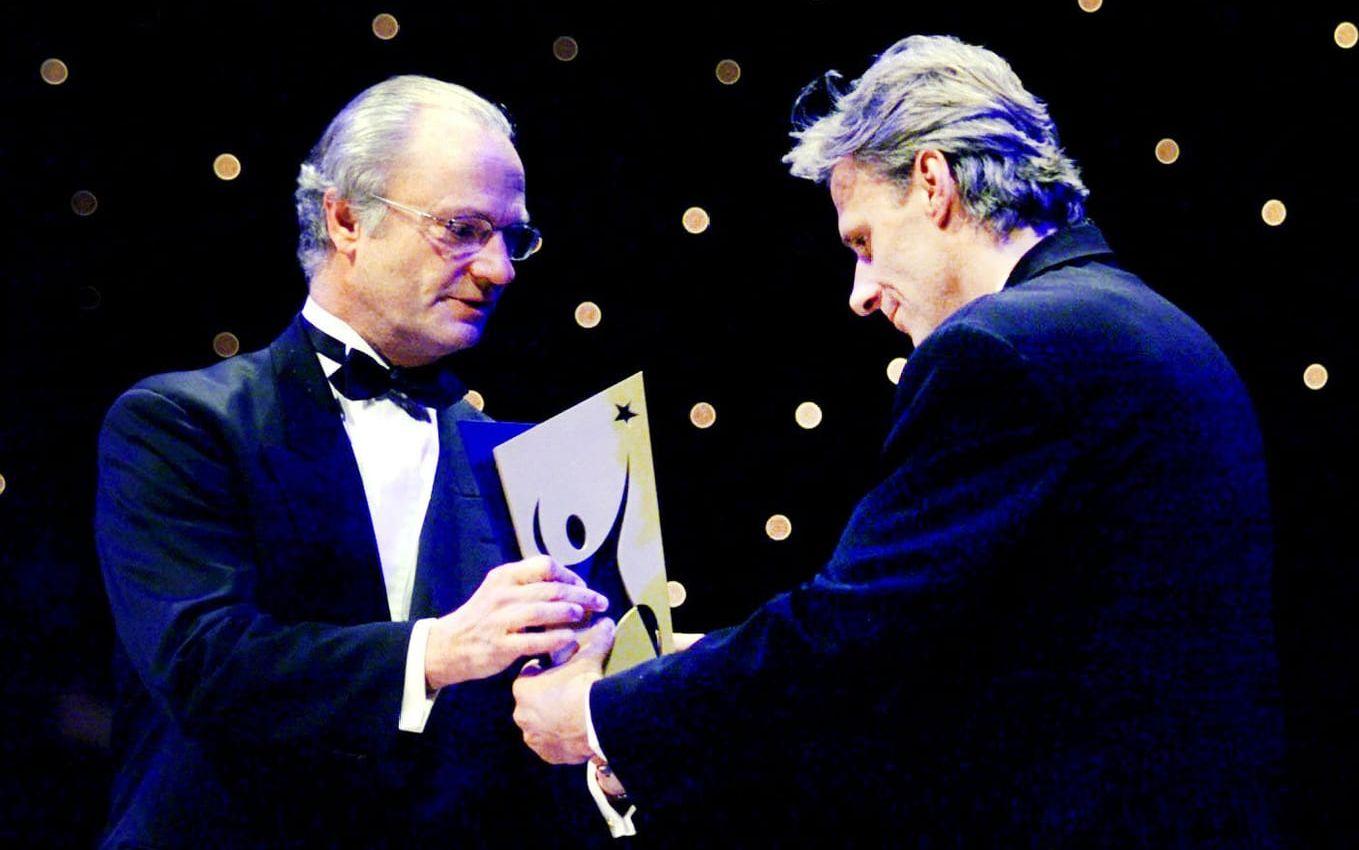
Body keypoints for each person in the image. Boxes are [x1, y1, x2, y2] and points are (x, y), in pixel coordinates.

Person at [511, 35, 1284, 847]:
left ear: (932, 183)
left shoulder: (1003, 349)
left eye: (862, 242)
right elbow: (963, 642)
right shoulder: (1146, 323)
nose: (860, 293)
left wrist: (601, 715)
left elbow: (852, 638)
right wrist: (701, 668)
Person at [95, 75, 611, 849]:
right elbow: (204, 664)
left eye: (513, 237)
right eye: (463, 228)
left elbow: (526, 740)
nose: (498, 269)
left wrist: (612, 730)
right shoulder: (181, 423)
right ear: (345, 220)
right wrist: (437, 652)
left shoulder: (521, 461)